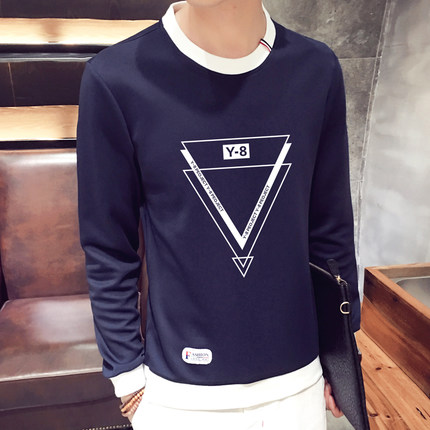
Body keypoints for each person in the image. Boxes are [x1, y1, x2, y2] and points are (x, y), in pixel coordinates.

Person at [76, 1, 360, 428]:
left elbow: (330, 225)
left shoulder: (316, 70)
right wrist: (126, 376)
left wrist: (341, 352)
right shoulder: (115, 78)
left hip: (297, 382)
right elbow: (108, 245)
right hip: (179, 394)